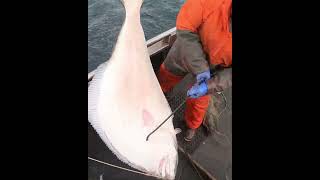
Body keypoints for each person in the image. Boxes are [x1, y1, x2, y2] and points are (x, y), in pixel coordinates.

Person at [157, 0, 232, 141]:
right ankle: (159, 94)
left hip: (216, 66)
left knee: (199, 101)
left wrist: (209, 86)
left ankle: (191, 125)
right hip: (185, 50)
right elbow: (185, 27)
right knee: (166, 75)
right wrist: (200, 67)